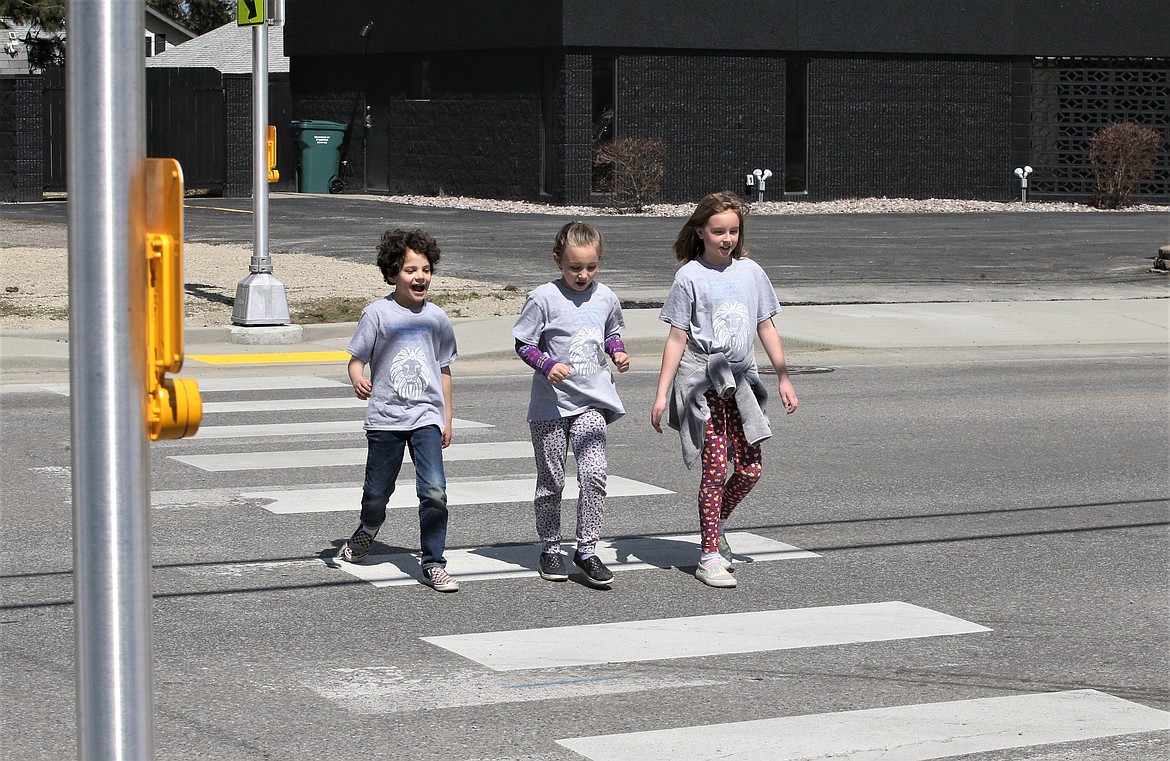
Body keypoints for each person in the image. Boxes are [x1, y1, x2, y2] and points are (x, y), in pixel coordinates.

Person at [650, 192, 798, 589]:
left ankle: (717, 523)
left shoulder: (750, 272)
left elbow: (766, 326)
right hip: (702, 383)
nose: (727, 238)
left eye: (733, 230)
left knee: (750, 469)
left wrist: (783, 377)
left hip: (743, 383)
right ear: (700, 232)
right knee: (714, 469)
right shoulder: (689, 277)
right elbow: (677, 337)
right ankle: (708, 555)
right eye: (718, 231)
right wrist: (663, 393)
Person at [335, 228, 460, 593]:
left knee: (434, 491)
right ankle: (368, 528)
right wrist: (358, 379)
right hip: (386, 418)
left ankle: (434, 562)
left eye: (425, 269)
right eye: (410, 270)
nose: (420, 276)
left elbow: (444, 369)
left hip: (426, 417)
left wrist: (446, 417)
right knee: (378, 490)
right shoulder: (377, 314)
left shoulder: (437, 318)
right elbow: (356, 359)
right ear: (392, 274)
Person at [512, 221, 629, 588]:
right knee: (551, 481)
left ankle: (587, 549)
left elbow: (610, 332)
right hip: (550, 407)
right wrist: (546, 364)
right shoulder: (543, 298)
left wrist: (618, 352)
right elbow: (523, 343)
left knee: (594, 473)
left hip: (591, 401)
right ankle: (550, 546)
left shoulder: (606, 297)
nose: (583, 275)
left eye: (591, 267)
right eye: (574, 267)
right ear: (558, 261)